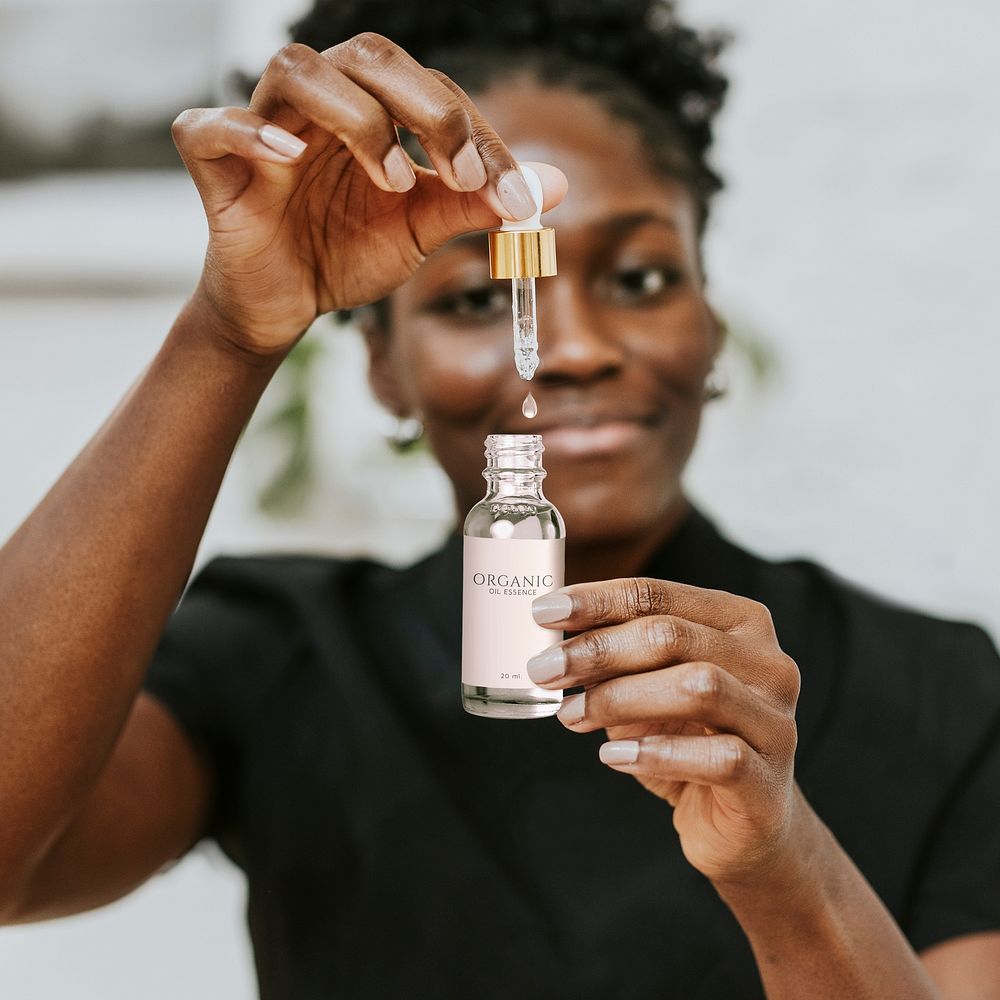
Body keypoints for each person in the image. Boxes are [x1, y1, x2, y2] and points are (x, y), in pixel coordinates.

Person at [1, 2, 998, 997]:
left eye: (643, 276)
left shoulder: (931, 688)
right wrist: (229, 332)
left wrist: (781, 860)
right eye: (478, 299)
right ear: (383, 366)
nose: (571, 348)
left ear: (711, 323)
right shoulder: (282, 654)